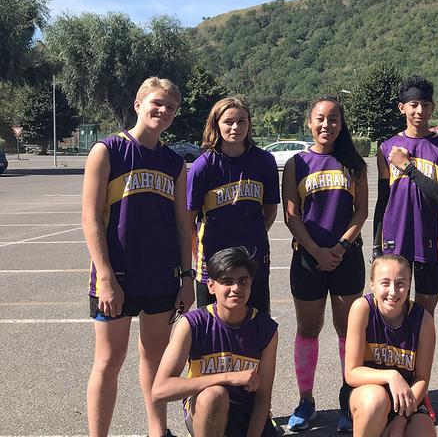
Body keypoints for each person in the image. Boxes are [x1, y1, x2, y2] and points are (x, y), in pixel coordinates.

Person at [83, 77, 195, 437]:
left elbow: (182, 224)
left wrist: (188, 277)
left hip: (161, 275)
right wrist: (105, 276)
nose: (163, 111)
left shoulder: (175, 163)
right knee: (108, 361)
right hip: (117, 275)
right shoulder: (108, 150)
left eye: (170, 107)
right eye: (157, 103)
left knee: (156, 359)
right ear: (138, 104)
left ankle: (157, 431)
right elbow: (90, 218)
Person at [283, 97, 369, 432]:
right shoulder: (296, 163)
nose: (326, 125)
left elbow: (361, 212)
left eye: (334, 119)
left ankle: (349, 400)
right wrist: (317, 251)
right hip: (307, 259)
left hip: (346, 258)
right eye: (320, 118)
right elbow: (291, 215)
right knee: (308, 329)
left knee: (348, 332)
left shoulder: (354, 164)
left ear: (341, 123)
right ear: (309, 122)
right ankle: (306, 401)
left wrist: (340, 246)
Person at [152, 247, 279, 437]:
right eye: (227, 281)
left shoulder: (266, 328)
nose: (236, 288)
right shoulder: (192, 324)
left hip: (246, 412)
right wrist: (227, 377)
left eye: (242, 281)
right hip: (205, 408)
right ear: (211, 286)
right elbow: (160, 390)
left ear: (251, 283)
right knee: (215, 395)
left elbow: (263, 397)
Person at [187, 96, 279, 314]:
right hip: (213, 261)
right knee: (212, 327)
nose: (235, 127)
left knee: (256, 323)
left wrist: (251, 232)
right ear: (216, 124)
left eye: (242, 121)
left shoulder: (264, 161)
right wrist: (197, 256)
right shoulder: (204, 165)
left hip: (253, 259)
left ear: (249, 124)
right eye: (228, 121)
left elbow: (270, 210)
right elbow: (188, 219)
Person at [374, 75, 438, 315]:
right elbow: (383, 202)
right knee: (392, 314)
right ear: (402, 108)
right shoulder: (386, 148)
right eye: (413, 105)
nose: (420, 110)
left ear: (433, 107)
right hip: (394, 243)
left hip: (430, 245)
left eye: (426, 105)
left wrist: (408, 168)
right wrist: (375, 249)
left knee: (424, 317)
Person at [344, 254, 437, 437]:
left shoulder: (423, 319)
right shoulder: (362, 308)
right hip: (367, 395)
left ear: (409, 284)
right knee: (375, 399)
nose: (393, 292)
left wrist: (400, 420)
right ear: (372, 284)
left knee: (423, 432)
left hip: (407, 401)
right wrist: (391, 376)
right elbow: (352, 373)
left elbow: (422, 378)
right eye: (385, 283)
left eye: (400, 283)